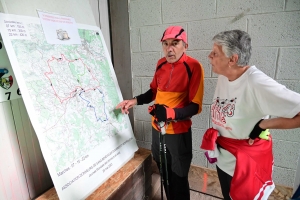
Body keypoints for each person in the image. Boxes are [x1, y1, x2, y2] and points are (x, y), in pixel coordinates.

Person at [204, 29, 300, 200]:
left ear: (232, 59)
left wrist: (264, 124)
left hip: (244, 166)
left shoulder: (256, 82)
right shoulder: (224, 76)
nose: (209, 56)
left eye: (215, 53)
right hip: (224, 160)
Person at [116, 25, 204, 200]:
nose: (169, 49)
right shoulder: (160, 64)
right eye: (165, 44)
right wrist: (133, 101)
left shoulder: (193, 66)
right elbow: (153, 92)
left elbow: (195, 106)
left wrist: (170, 113)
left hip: (178, 133)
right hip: (157, 129)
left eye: (175, 43)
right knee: (163, 171)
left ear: (185, 45)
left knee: (179, 177)